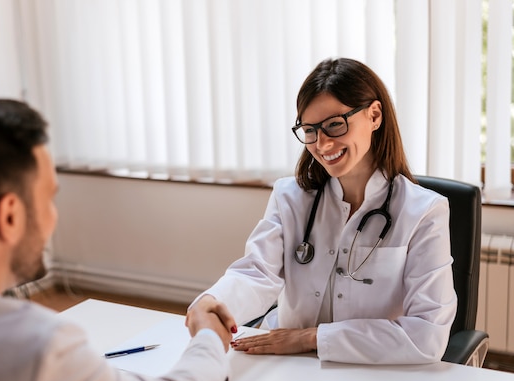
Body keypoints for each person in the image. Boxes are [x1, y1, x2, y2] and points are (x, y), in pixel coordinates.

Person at [0, 97, 237, 381]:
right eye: (49, 199)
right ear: (9, 216)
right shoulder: (35, 349)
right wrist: (209, 337)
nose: (54, 217)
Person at [188, 57, 457, 365]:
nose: (322, 143)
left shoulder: (423, 211)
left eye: (334, 125)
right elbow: (257, 272)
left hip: (370, 369)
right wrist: (212, 302)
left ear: (374, 116)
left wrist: (311, 338)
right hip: (285, 362)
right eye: (310, 130)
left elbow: (428, 334)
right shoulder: (290, 196)